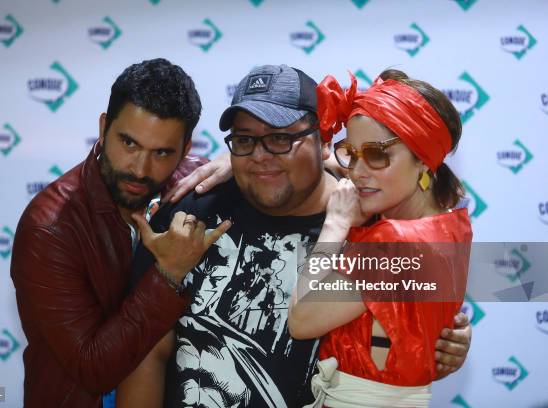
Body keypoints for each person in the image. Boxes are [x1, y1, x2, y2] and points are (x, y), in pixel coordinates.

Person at [116, 64, 472, 408]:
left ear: (323, 141)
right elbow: (145, 352)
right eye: (245, 140)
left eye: (280, 138)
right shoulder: (188, 213)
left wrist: (445, 339)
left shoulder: (373, 219)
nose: (260, 154)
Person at [10, 58, 226, 407]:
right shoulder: (50, 227)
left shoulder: (193, 183)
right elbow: (93, 369)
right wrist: (168, 273)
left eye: (161, 153)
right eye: (128, 143)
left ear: (186, 150)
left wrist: (237, 164)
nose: (140, 168)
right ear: (103, 127)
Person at [288, 69, 472, 407]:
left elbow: (300, 321)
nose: (357, 171)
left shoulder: (394, 241)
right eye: (351, 152)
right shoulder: (454, 225)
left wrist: (336, 224)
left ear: (423, 159)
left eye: (377, 154)